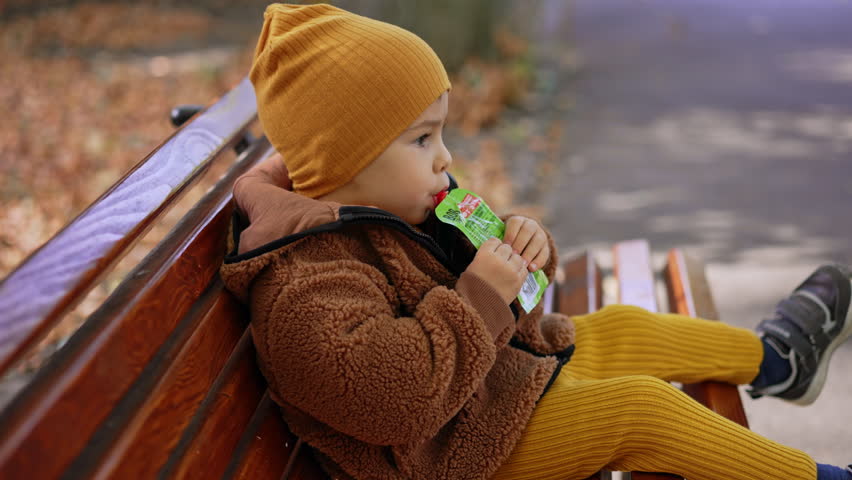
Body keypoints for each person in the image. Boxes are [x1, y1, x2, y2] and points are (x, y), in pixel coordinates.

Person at [220, 4, 852, 479]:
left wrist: (524, 250)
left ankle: (776, 360)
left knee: (622, 327)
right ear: (343, 159)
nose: (444, 158)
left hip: (494, 389)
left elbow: (516, 291)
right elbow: (395, 401)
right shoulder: (305, 285)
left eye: (440, 135)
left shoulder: (394, 204)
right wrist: (481, 297)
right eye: (421, 140)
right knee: (640, 409)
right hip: (453, 454)